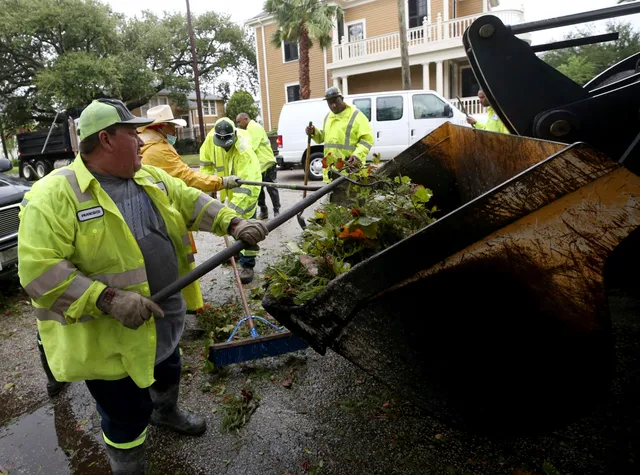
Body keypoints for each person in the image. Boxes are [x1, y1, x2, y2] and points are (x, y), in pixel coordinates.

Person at [17, 98, 268, 475]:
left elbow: (190, 200)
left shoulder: (149, 177)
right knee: (126, 416)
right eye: (132, 133)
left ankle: (166, 412)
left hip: (162, 318)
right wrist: (107, 298)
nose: (140, 140)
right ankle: (128, 466)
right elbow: (39, 272)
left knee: (168, 370)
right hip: (110, 341)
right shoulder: (53, 196)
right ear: (105, 139)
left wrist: (232, 222)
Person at [199, 117, 262, 284]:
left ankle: (247, 265)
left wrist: (229, 213)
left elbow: (247, 186)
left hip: (247, 193)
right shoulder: (210, 141)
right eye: (222, 144)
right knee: (230, 224)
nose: (225, 147)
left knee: (245, 227)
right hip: (228, 189)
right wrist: (210, 185)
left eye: (228, 144)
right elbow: (205, 166)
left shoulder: (243, 151)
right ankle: (234, 252)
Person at [139, 104, 239, 193]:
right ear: (163, 126)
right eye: (172, 125)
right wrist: (221, 182)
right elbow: (187, 177)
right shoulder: (160, 150)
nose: (175, 129)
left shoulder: (145, 145)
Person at [305, 87, 374, 183]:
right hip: (331, 172)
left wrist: (357, 155)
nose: (333, 105)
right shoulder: (328, 117)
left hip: (350, 171)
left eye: (336, 101)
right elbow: (322, 137)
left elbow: (367, 140)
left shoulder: (357, 116)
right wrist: (313, 132)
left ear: (342, 99)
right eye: (330, 103)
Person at [236, 113, 280, 220]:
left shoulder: (255, 128)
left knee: (271, 188)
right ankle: (264, 211)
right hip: (258, 167)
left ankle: (277, 212)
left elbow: (250, 147)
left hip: (267, 164)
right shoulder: (247, 130)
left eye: (239, 122)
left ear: (246, 119)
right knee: (258, 191)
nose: (238, 125)